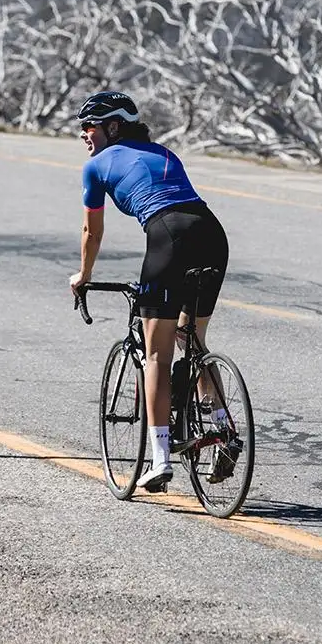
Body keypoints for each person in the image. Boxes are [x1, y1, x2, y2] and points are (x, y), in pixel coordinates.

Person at [68, 90, 231, 491]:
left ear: (112, 126)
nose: (84, 136)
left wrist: (83, 275)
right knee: (192, 337)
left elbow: (92, 231)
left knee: (156, 354)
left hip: (168, 236)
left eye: (88, 127)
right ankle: (225, 430)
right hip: (211, 231)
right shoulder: (164, 153)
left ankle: (159, 460)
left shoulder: (96, 166)